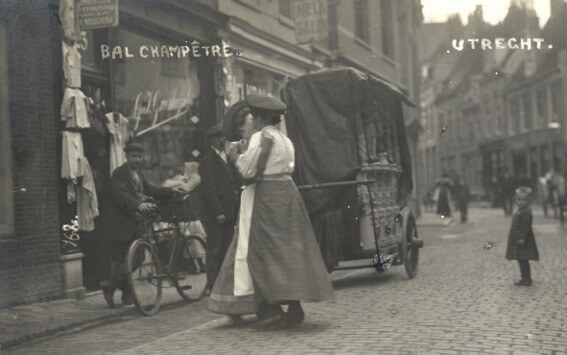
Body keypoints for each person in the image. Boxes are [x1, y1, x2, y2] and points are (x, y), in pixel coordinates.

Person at [228, 95, 334, 329]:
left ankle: (272, 309)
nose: (252, 122)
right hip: (288, 192)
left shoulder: (262, 137)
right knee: (290, 250)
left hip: (270, 195)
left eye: (254, 117)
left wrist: (235, 154)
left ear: (259, 118)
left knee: (265, 251)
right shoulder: (285, 139)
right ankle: (295, 307)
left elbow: (248, 169)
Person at [101, 142, 184, 307]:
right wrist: (137, 204)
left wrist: (171, 191)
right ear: (126, 157)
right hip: (121, 223)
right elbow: (120, 196)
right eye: (134, 156)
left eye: (140, 156)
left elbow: (150, 189)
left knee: (135, 257)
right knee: (127, 258)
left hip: (135, 221)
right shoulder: (120, 173)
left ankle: (121, 290)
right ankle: (111, 285)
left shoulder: (138, 173)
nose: (137, 160)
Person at [198, 125, 241, 292]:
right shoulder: (207, 161)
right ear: (211, 140)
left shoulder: (226, 157)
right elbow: (209, 189)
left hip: (229, 212)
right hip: (217, 214)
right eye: (217, 137)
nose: (222, 140)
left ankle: (223, 285)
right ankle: (213, 286)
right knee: (215, 250)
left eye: (222, 137)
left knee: (226, 249)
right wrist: (218, 212)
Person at [505, 186, 539, 286]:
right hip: (518, 239)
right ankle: (524, 277)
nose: (521, 202)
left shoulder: (527, 211)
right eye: (519, 200)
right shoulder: (520, 210)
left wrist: (522, 238)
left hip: (524, 241)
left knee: (523, 259)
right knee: (521, 259)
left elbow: (526, 226)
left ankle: (527, 279)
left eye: (524, 200)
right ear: (516, 200)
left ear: (528, 200)